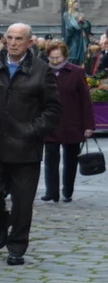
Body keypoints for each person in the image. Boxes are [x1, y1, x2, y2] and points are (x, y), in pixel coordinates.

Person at [0, 23, 61, 266]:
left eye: (18, 39)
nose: (12, 43)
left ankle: (17, 246)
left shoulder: (41, 70)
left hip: (25, 147)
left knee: (23, 201)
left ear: (29, 42)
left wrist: (33, 130)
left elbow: (53, 109)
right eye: (9, 38)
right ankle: (1, 224)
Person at [42, 41, 94, 203]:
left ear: (65, 56)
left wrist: (88, 125)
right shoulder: (43, 72)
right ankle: (51, 191)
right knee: (50, 157)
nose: (55, 61)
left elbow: (85, 100)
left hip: (72, 122)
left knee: (71, 159)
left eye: (58, 57)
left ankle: (67, 191)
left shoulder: (76, 72)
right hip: (50, 122)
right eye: (52, 58)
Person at [63, 0, 92, 67]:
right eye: (74, 2)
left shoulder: (80, 14)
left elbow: (86, 26)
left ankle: (80, 71)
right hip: (73, 38)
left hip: (81, 38)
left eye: (77, 2)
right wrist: (79, 21)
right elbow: (70, 27)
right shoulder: (66, 14)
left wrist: (85, 22)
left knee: (81, 57)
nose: (77, 4)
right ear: (70, 4)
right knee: (73, 56)